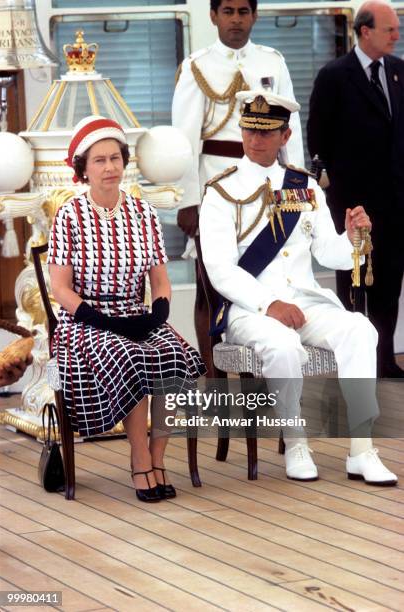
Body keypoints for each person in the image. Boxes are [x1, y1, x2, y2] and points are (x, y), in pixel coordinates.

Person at [199, 90, 397, 485]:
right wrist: (269, 303)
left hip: (306, 303)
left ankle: (361, 449)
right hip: (249, 309)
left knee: (361, 329)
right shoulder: (221, 191)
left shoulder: (305, 187)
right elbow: (220, 269)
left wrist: (355, 237)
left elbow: (330, 252)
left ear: (285, 137)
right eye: (249, 130)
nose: (255, 140)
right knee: (282, 345)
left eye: (266, 132)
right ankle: (295, 441)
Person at [48, 116, 206, 503]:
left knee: (172, 355)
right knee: (132, 357)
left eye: (115, 158)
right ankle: (139, 461)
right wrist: (98, 319)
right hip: (84, 320)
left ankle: (157, 459)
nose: (109, 167)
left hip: (135, 312)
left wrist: (159, 313)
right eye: (99, 160)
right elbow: (59, 289)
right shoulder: (70, 215)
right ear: (82, 169)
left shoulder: (143, 213)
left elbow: (160, 280)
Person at [172, 0, 304, 374]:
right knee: (211, 289)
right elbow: (184, 141)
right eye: (227, 11)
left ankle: (260, 376)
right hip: (217, 188)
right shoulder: (198, 66)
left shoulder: (272, 61)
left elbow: (290, 135)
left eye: (243, 12)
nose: (235, 20)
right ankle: (214, 381)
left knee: (264, 279)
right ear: (213, 16)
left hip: (268, 187)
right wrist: (187, 200)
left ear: (254, 16)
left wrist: (297, 184)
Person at [307, 0, 404, 378]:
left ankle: (383, 360)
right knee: (356, 283)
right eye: (390, 29)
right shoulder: (334, 76)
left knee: (389, 281)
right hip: (354, 204)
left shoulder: (399, 72)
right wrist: (333, 195)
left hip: (395, 202)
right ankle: (355, 364)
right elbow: (318, 140)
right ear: (365, 31)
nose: (396, 36)